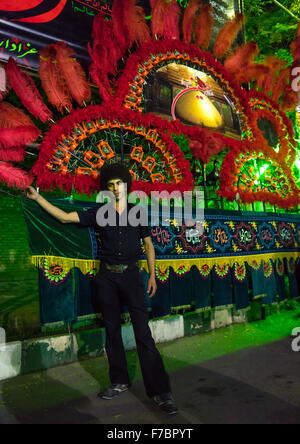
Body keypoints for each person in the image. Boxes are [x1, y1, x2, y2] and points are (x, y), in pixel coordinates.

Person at [26, 163, 178, 415]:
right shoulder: (99, 213)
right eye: (111, 185)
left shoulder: (137, 211)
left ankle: (161, 391)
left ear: (126, 186)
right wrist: (38, 197)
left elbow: (149, 245)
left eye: (119, 184)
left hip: (132, 277)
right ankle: (118, 381)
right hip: (106, 278)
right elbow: (65, 218)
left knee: (143, 333)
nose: (116, 189)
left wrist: (152, 275)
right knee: (112, 331)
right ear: (106, 189)